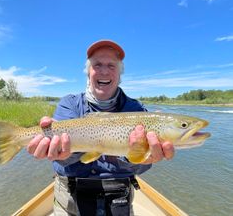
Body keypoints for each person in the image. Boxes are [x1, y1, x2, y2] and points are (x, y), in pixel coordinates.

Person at [27, 40, 175, 216]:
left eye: (111, 66)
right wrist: (63, 153)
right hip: (70, 198)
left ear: (120, 74)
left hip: (120, 197)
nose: (104, 71)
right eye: (97, 64)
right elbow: (62, 159)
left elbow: (140, 168)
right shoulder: (69, 104)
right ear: (88, 72)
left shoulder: (137, 110)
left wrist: (140, 159)